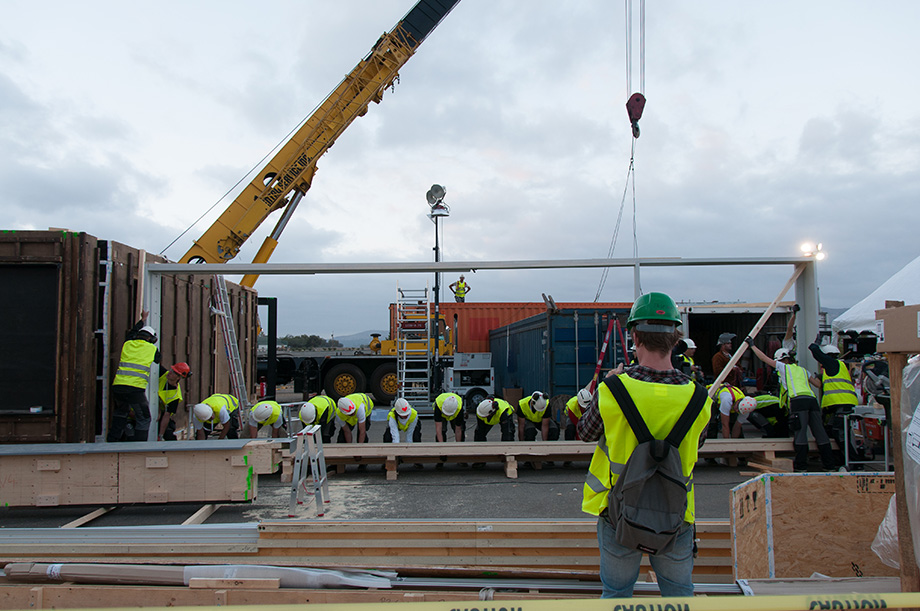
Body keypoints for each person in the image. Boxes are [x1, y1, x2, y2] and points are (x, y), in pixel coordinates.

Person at [578, 291, 711, 599]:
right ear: (676, 338)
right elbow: (697, 442)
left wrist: (607, 387)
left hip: (619, 514)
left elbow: (585, 432)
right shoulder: (700, 399)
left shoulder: (612, 389)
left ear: (634, 336)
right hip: (675, 516)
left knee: (616, 594)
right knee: (680, 597)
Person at [745, 338, 836, 471]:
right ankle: (829, 466)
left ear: (784, 360)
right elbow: (818, 384)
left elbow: (764, 359)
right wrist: (821, 375)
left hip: (798, 402)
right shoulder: (803, 370)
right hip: (812, 400)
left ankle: (801, 467)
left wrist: (752, 346)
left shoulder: (783, 367)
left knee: (800, 434)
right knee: (820, 433)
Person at [109, 310, 160, 442]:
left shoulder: (127, 343)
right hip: (135, 389)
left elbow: (132, 332)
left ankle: (112, 441)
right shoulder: (152, 349)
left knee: (121, 412)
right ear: (152, 339)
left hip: (118, 387)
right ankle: (140, 445)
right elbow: (158, 360)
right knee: (144, 418)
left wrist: (142, 320)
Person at [808, 341, 859, 464]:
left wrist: (814, 345)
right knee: (829, 430)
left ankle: (854, 461)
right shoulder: (832, 369)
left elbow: (817, 353)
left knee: (839, 432)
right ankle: (839, 459)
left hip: (843, 403)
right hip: (836, 405)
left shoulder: (833, 364)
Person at [157, 362, 190, 441]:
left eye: (174, 372)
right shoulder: (164, 374)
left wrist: (160, 436)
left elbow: (166, 415)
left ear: (179, 377)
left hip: (161, 415)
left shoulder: (175, 396)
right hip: (154, 409)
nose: (170, 372)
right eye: (171, 370)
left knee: (168, 433)